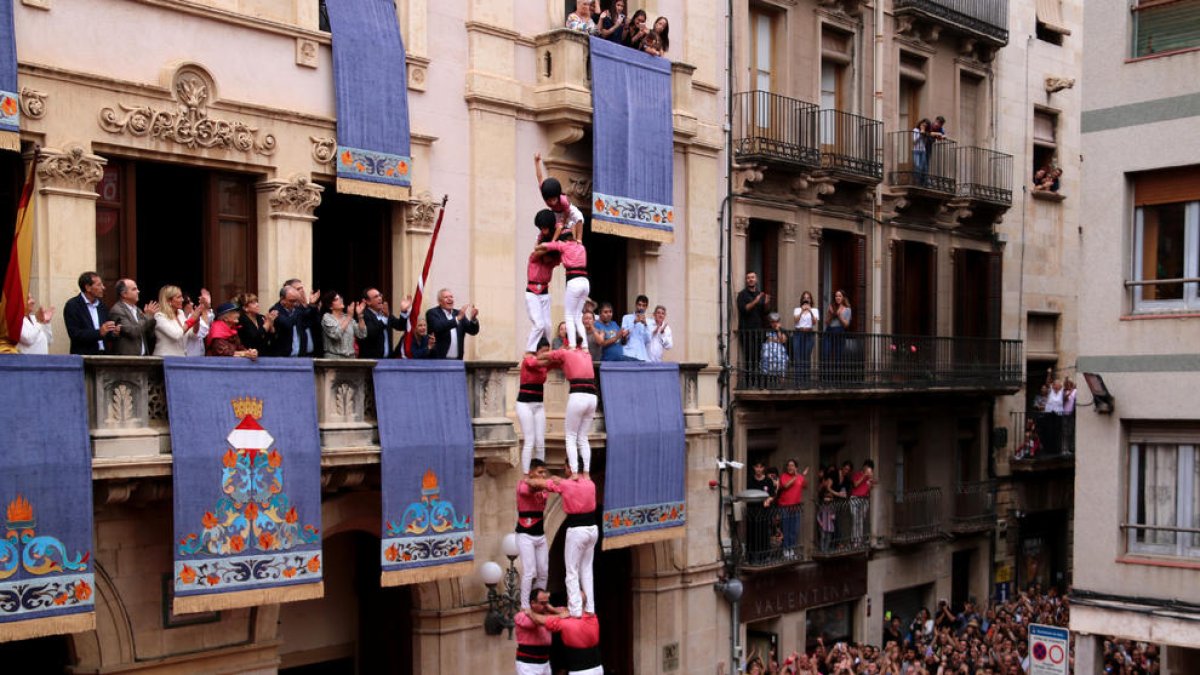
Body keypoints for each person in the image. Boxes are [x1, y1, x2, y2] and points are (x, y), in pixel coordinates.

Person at [545, 472, 599, 620]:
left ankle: (575, 609)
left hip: (577, 529)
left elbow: (548, 485)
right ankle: (590, 607)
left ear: (570, 468)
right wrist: (562, 480)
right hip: (593, 529)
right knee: (586, 569)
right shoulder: (590, 483)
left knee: (571, 571)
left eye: (565, 467)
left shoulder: (566, 484)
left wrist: (552, 480)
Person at [546, 341, 598, 475]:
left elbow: (546, 356)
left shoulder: (566, 352)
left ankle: (574, 472)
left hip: (578, 395)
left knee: (570, 436)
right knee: (583, 437)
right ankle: (586, 473)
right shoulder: (587, 354)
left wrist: (531, 356)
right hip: (592, 396)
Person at [535, 231, 588, 350]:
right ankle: (585, 346)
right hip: (585, 282)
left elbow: (546, 246)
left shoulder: (563, 245)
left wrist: (537, 246)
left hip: (574, 281)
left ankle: (573, 345)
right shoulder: (581, 247)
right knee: (578, 316)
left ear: (564, 239)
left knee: (569, 315)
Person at [515, 460, 553, 614]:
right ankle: (525, 605)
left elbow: (553, 486)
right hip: (525, 534)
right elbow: (528, 490)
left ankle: (539, 600)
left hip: (540, 535)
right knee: (530, 571)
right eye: (539, 472)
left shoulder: (544, 487)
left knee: (543, 571)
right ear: (530, 472)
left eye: (544, 472)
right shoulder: (522, 485)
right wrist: (546, 482)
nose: (543, 475)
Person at [528, 604, 602, 675]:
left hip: (580, 671)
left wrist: (529, 611)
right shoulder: (593, 617)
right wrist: (554, 609)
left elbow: (539, 620)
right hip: (598, 668)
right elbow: (567, 611)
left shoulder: (565, 622)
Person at [525, 210, 559, 353]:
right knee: (538, 324)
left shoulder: (552, 261)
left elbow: (560, 255)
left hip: (544, 292)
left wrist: (555, 244)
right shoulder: (534, 257)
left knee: (547, 326)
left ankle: (545, 349)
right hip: (532, 292)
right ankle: (530, 350)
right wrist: (549, 246)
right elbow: (538, 251)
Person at [517, 341, 554, 473]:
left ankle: (540, 472)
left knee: (540, 442)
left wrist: (565, 348)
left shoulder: (544, 365)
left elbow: (556, 361)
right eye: (544, 351)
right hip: (525, 405)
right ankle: (526, 474)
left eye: (548, 351)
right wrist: (551, 357)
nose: (546, 353)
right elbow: (537, 362)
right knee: (529, 441)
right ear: (536, 351)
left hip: (539, 405)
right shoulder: (528, 360)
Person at [64, 271, 120, 355]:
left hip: (104, 355)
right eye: (99, 285)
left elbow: (107, 335)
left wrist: (114, 333)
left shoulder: (102, 306)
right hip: (85, 357)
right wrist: (99, 332)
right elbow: (75, 334)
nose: (103, 288)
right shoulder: (73, 305)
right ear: (88, 287)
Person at [533, 156, 585, 243]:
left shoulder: (563, 200)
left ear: (557, 196)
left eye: (554, 200)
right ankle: (550, 241)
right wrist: (537, 162)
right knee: (550, 224)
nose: (552, 203)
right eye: (549, 200)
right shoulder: (544, 191)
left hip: (566, 210)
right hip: (555, 213)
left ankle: (579, 239)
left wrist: (563, 222)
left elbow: (566, 212)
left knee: (579, 217)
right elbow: (540, 177)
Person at [425, 288, 480, 359]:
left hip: (457, 359)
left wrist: (473, 319)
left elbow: (473, 331)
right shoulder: (432, 313)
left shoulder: (458, 313)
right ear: (439, 301)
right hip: (439, 359)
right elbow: (438, 327)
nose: (450, 299)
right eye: (446, 297)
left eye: (451, 297)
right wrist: (457, 319)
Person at [357, 287, 411, 359]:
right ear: (368, 301)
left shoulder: (384, 313)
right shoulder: (363, 315)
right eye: (376, 297)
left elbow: (400, 326)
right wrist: (385, 318)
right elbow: (371, 332)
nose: (380, 298)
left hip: (387, 360)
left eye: (380, 295)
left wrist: (404, 312)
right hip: (371, 361)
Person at [109, 278, 158, 356]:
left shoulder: (137, 309)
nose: (138, 291)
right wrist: (147, 316)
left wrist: (152, 318)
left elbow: (149, 334)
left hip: (143, 357)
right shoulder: (117, 310)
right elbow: (133, 331)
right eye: (134, 289)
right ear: (124, 294)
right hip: (128, 359)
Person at [152, 285, 205, 357]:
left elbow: (191, 334)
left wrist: (197, 320)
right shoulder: (159, 317)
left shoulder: (180, 313)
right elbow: (176, 335)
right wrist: (192, 319)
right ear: (169, 300)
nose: (182, 300)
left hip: (180, 359)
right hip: (164, 360)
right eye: (179, 297)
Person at [269, 283, 319, 357]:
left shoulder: (297, 310)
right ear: (282, 299)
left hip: (300, 356)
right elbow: (287, 324)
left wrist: (311, 305)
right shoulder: (275, 310)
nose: (295, 304)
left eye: (296, 301)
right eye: (292, 301)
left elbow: (310, 320)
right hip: (284, 357)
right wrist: (297, 310)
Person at [514, 588, 556, 675]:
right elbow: (537, 622)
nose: (546, 606)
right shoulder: (521, 616)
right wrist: (556, 616)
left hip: (545, 662)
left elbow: (567, 613)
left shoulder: (548, 615)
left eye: (547, 602)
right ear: (533, 603)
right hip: (528, 665)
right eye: (542, 603)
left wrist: (554, 610)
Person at [736, 271, 771, 373]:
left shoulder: (760, 294)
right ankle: (748, 382)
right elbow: (744, 309)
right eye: (748, 278)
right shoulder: (742, 295)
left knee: (758, 357)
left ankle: (758, 381)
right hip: (747, 331)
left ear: (756, 280)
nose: (750, 279)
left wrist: (766, 304)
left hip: (759, 331)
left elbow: (765, 313)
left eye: (752, 277)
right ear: (746, 281)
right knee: (749, 358)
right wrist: (756, 301)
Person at [776, 459, 809, 559]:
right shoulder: (783, 476)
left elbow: (805, 486)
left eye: (792, 465)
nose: (790, 467)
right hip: (785, 507)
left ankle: (792, 550)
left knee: (794, 530)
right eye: (788, 465)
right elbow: (786, 486)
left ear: (796, 467)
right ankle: (785, 550)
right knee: (785, 529)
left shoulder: (799, 477)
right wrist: (796, 477)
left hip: (795, 507)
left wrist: (802, 476)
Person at [745, 460, 776, 564]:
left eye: (760, 467)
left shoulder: (768, 481)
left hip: (764, 512)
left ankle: (764, 556)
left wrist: (768, 500)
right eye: (756, 467)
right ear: (754, 468)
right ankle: (752, 557)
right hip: (752, 512)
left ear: (763, 468)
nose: (758, 469)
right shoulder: (749, 480)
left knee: (763, 534)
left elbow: (772, 495)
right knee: (753, 534)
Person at [319, 291, 366, 359]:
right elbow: (336, 335)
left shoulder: (348, 317)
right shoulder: (327, 317)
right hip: (333, 360)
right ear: (330, 306)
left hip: (351, 359)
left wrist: (360, 316)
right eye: (336, 299)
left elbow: (362, 334)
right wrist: (349, 317)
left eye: (340, 298)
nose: (340, 300)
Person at [792, 291, 819, 384]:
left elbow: (815, 322)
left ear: (811, 300)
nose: (806, 299)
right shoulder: (797, 309)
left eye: (808, 297)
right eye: (804, 297)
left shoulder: (815, 310)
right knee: (798, 357)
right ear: (802, 299)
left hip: (809, 334)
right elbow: (795, 320)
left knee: (806, 358)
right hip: (798, 334)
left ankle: (805, 381)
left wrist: (810, 311)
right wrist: (802, 311)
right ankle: (798, 381)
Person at [822, 290, 851, 377]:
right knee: (826, 353)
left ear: (843, 298)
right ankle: (827, 377)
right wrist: (831, 314)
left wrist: (839, 315)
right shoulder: (831, 307)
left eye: (839, 296)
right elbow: (826, 322)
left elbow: (846, 325)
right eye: (836, 296)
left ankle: (837, 378)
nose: (837, 298)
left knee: (838, 356)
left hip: (840, 331)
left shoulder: (847, 309)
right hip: (829, 331)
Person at [619, 294, 654, 361]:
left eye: (644, 305)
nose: (641, 307)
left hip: (642, 355)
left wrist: (645, 325)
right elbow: (624, 336)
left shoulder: (649, 322)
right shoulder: (626, 318)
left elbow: (648, 340)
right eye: (639, 305)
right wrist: (634, 322)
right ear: (636, 305)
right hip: (629, 354)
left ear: (646, 307)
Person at [849, 459, 875, 548]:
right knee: (855, 520)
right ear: (864, 467)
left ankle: (859, 541)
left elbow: (871, 487)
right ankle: (854, 541)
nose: (868, 470)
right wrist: (864, 476)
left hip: (864, 500)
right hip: (855, 499)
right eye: (868, 468)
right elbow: (855, 484)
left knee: (860, 521)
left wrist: (871, 479)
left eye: (870, 469)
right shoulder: (857, 474)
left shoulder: (869, 477)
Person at [760, 312, 789, 380]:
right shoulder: (766, 330)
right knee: (766, 364)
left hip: (779, 352)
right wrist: (778, 340)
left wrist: (778, 330)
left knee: (782, 364)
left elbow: (783, 340)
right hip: (768, 352)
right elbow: (767, 339)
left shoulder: (782, 330)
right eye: (773, 322)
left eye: (776, 321)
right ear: (770, 322)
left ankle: (781, 384)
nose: (774, 323)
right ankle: (766, 383)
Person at [181, 293, 211, 357]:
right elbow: (202, 332)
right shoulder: (180, 319)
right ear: (182, 305)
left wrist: (203, 308)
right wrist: (203, 310)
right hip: (188, 356)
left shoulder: (191, 316)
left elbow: (205, 330)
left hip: (198, 355)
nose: (192, 304)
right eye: (189, 302)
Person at [911, 118, 931, 185]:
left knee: (923, 167)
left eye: (925, 126)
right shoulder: (915, 130)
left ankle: (922, 182)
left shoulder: (925, 133)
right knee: (917, 166)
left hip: (923, 151)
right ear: (920, 124)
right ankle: (917, 182)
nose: (923, 126)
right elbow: (914, 142)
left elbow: (925, 143)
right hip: (916, 150)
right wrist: (920, 134)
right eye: (922, 125)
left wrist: (924, 134)